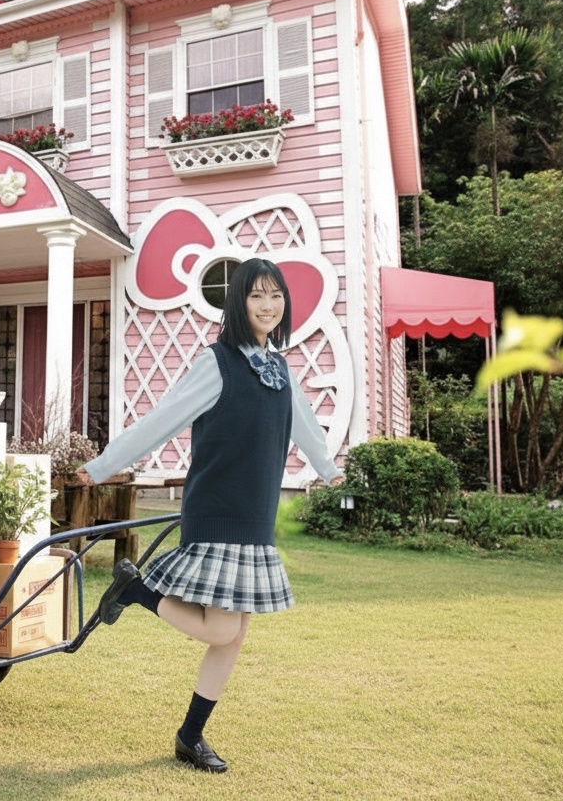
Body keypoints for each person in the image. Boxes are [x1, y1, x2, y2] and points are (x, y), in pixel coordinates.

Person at [77, 257, 344, 774]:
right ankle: (135, 591)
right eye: (256, 295)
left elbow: (305, 426)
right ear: (238, 303)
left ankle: (190, 736)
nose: (268, 305)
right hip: (219, 509)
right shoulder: (217, 362)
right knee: (222, 631)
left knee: (234, 636)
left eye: (276, 295)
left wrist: (329, 470)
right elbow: (161, 421)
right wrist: (103, 465)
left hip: (256, 515)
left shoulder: (278, 367)